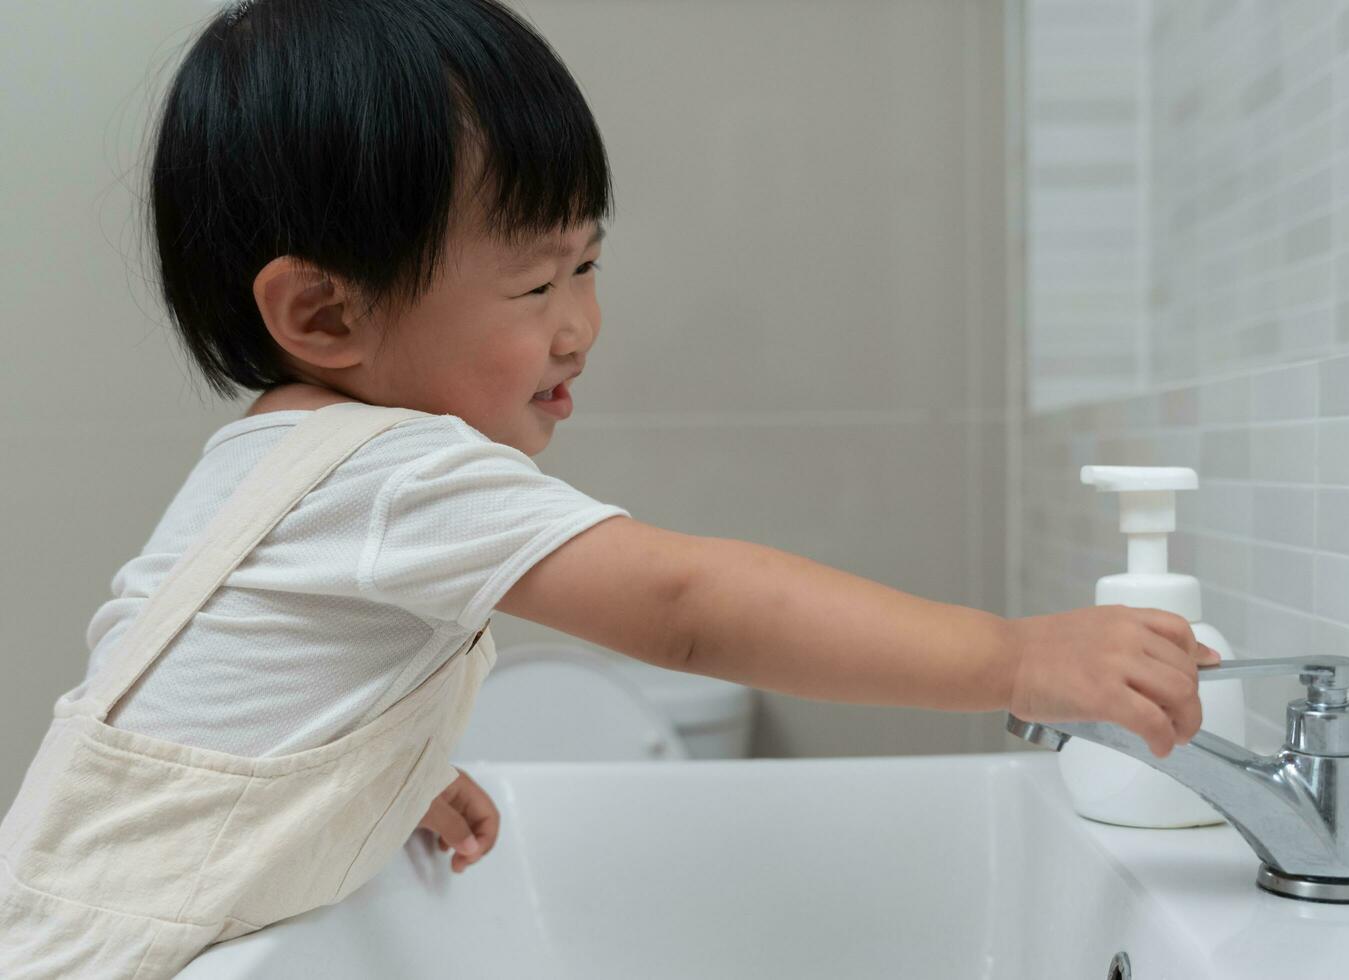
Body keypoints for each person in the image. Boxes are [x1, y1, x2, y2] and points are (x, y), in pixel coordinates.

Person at [0, 0, 1218, 975]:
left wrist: (366, 780)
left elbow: (211, 696)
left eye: (586, 263)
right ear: (324, 311)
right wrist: (1014, 657)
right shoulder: (393, 466)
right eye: (535, 287)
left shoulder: (267, 464)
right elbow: (686, 604)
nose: (580, 324)